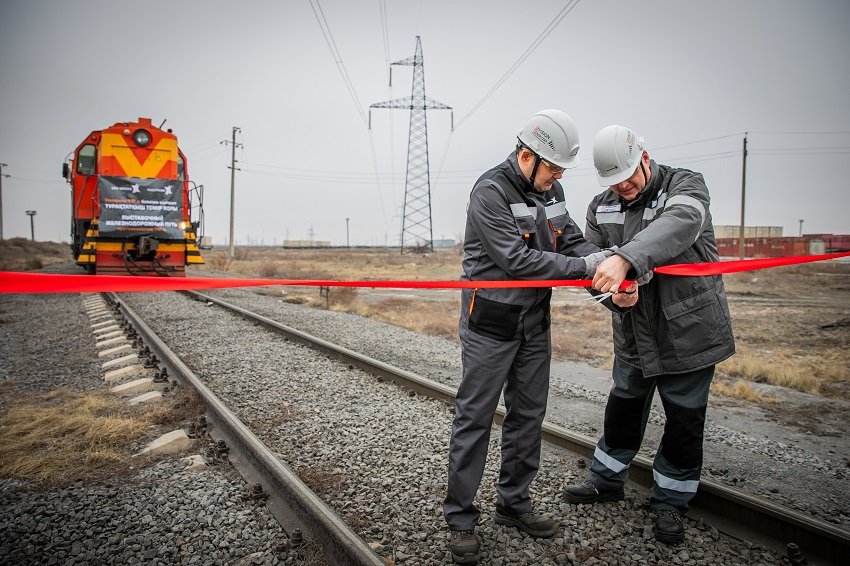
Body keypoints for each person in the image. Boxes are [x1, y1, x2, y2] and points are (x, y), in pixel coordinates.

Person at [444, 109, 612, 564]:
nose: (558, 177)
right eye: (553, 168)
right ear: (526, 156)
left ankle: (513, 504)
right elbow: (518, 261)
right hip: (490, 327)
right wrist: (585, 269)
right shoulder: (489, 192)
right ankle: (460, 517)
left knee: (528, 416)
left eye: (560, 170)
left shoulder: (550, 189)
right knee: (475, 418)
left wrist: (608, 262)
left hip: (534, 325)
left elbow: (571, 241)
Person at [562, 125, 735, 544]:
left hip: (689, 332)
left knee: (683, 419)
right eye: (613, 181)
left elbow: (681, 223)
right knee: (623, 407)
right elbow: (594, 266)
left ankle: (670, 503)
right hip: (634, 334)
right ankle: (606, 480)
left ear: (644, 156)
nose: (623, 186)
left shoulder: (685, 185)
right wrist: (610, 296)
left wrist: (625, 260)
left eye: (628, 176)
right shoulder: (601, 207)